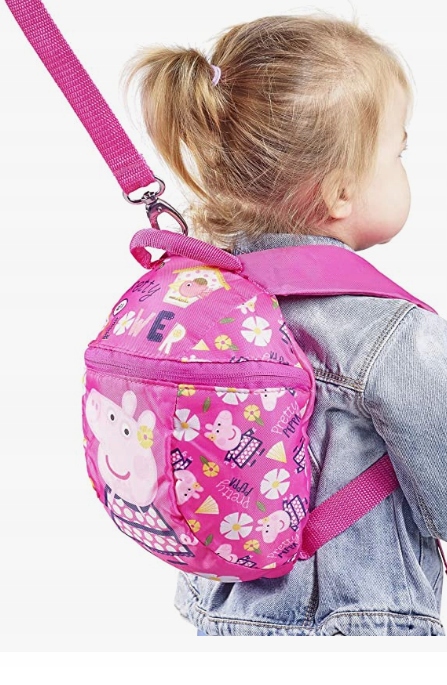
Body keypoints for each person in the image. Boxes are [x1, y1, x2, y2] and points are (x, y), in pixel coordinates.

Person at [125, 12, 447, 636]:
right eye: (398, 152)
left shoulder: (200, 300)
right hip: (357, 622)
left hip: (218, 614)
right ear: (340, 193)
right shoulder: (392, 334)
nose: (403, 166)